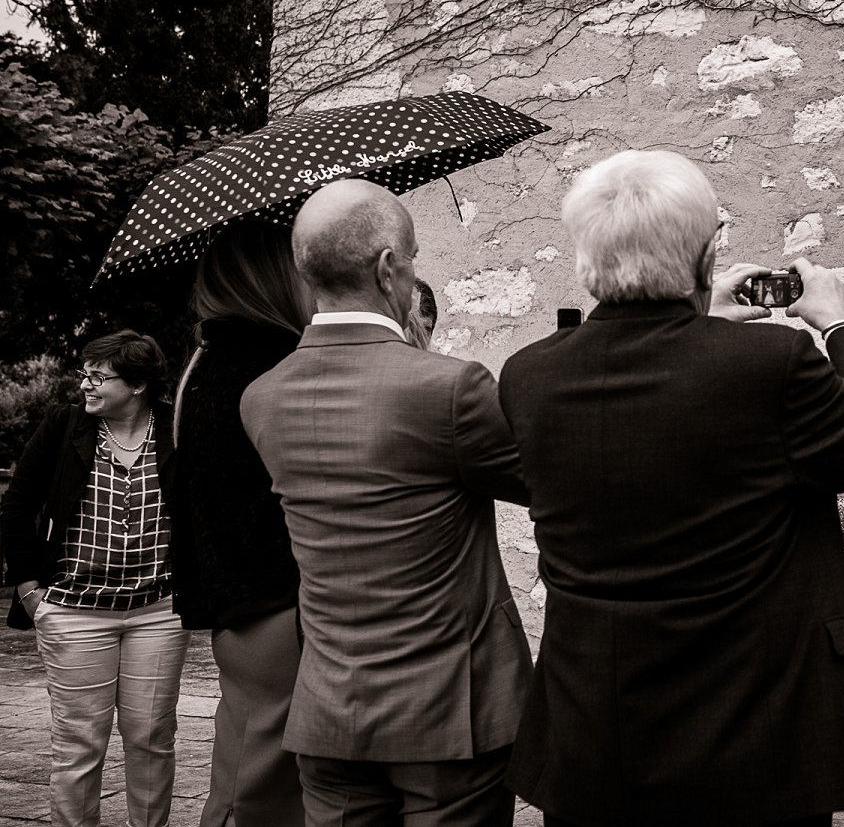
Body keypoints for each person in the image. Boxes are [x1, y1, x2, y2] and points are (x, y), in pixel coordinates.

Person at [496, 150, 844, 825]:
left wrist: (699, 324)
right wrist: (840, 324)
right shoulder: (770, 364)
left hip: (596, 732)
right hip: (751, 738)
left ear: (588, 257)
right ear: (704, 260)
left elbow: (648, 392)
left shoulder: (528, 375)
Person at [240, 179, 532, 827]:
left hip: (329, 711)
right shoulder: (450, 387)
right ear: (387, 269)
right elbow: (545, 482)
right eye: (414, 260)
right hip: (450, 715)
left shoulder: (261, 397)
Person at [1, 330, 192, 827]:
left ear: (137, 385)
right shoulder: (65, 427)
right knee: (78, 745)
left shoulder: (177, 426)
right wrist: (27, 590)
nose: (85, 384)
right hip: (72, 611)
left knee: (152, 739)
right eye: (85, 373)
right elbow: (17, 506)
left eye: (98, 376)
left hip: (158, 612)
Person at [169, 221, 313, 827]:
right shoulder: (265, 360)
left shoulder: (206, 359)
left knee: (252, 764)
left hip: (238, 596)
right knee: (255, 784)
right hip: (271, 595)